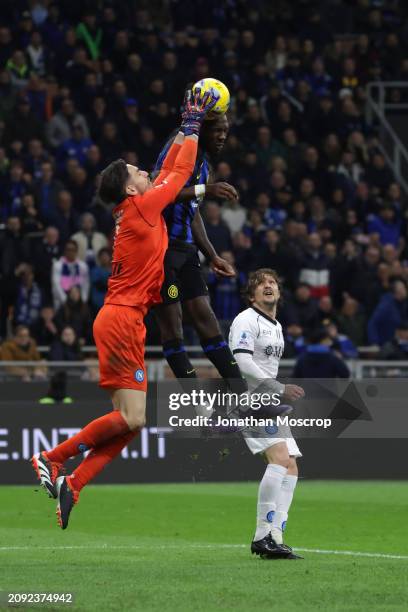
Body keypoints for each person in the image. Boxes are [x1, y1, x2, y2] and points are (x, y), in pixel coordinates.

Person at [31, 89, 217, 529]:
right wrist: (189, 128)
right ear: (131, 187)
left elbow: (171, 170)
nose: (145, 173)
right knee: (133, 417)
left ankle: (72, 484)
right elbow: (181, 169)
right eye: (138, 171)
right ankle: (51, 457)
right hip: (121, 320)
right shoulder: (141, 206)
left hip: (119, 318)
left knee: (132, 424)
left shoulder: (136, 208)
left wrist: (182, 129)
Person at [153, 106, 247, 393]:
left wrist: (213, 255)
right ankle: (199, 406)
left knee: (208, 321)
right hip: (161, 252)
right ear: (202, 130)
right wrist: (208, 190)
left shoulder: (203, 163)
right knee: (174, 326)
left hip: (186, 251)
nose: (222, 137)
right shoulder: (179, 149)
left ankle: (247, 399)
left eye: (225, 132)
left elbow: (192, 212)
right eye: (217, 131)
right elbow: (157, 192)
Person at [229, 268, 305, 559]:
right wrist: (278, 386)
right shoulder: (246, 319)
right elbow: (243, 362)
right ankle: (262, 536)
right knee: (280, 459)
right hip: (252, 400)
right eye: (261, 284)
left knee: (291, 465)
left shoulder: (276, 325)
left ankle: (276, 535)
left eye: (272, 282)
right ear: (252, 295)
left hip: (269, 400)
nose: (268, 286)